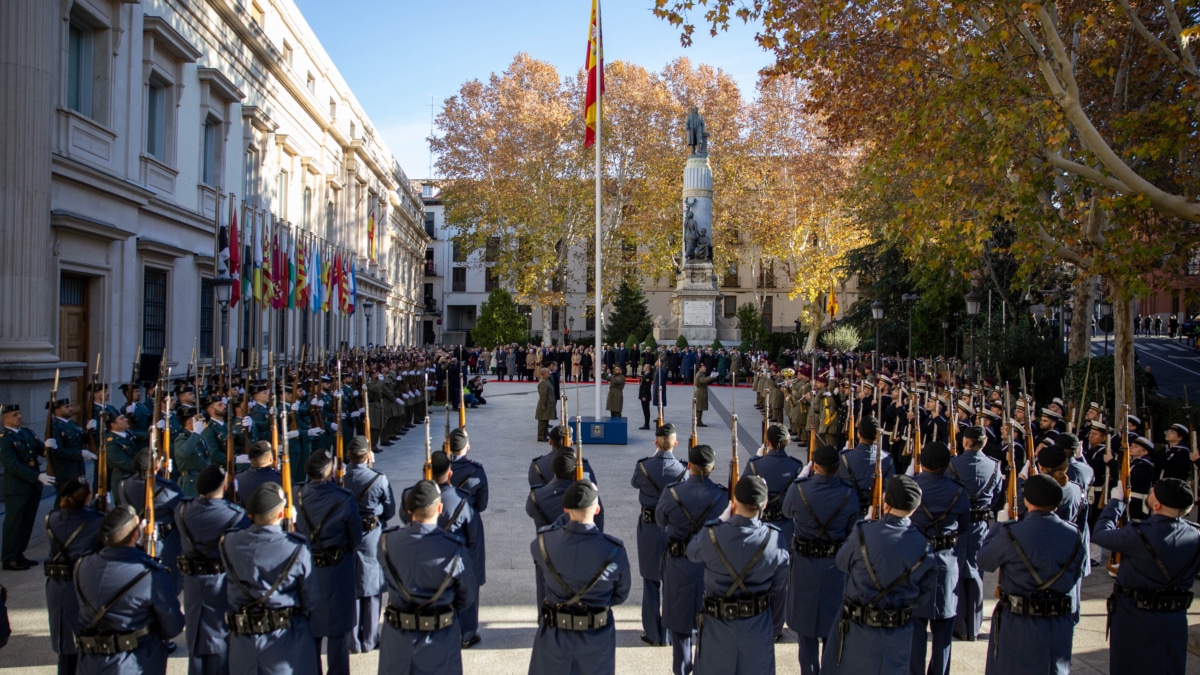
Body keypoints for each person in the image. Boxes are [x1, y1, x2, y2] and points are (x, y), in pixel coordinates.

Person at [821, 475, 936, 675]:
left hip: (858, 628)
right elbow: (924, 594)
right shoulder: (924, 545)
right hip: (898, 631)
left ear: (885, 502)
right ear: (914, 508)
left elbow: (841, 562)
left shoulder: (863, 533)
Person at [979, 474, 1085, 675]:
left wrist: (999, 526)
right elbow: (1076, 573)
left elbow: (984, 560)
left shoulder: (1011, 532)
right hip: (1058, 621)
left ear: (1027, 500)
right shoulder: (1074, 533)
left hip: (1020, 620)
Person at [1095, 476, 1200, 674]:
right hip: (1174, 618)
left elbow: (1100, 533)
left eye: (1153, 492)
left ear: (1157, 504)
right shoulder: (1195, 535)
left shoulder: (1138, 533)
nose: (1150, 492)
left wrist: (1115, 503)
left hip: (1135, 616)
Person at [686, 474, 789, 674]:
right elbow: (778, 585)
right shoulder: (774, 538)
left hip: (717, 626)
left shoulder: (712, 534)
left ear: (734, 502)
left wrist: (720, 519)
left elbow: (692, 552)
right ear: (764, 505)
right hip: (756, 625)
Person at [529, 480, 631, 675]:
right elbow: (620, 594)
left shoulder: (542, 543)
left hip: (554, 636)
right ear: (597, 509)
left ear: (565, 509)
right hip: (595, 638)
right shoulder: (613, 550)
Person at [377, 479, 475, 673]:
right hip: (439, 639)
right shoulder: (453, 547)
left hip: (398, 640)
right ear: (439, 509)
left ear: (408, 511)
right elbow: (467, 595)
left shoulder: (388, 541)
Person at [220, 482, 319, 675]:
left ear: (250, 515)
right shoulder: (295, 546)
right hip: (284, 640)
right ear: (281, 515)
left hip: (243, 642)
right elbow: (310, 599)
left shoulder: (229, 542)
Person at [72, 505, 184, 674]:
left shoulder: (81, 565)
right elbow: (173, 626)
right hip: (133, 663)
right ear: (135, 535)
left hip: (89, 664)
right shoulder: (150, 574)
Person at [782, 444, 858, 675]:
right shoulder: (848, 493)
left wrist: (802, 479)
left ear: (815, 466)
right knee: (833, 627)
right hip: (835, 564)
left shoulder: (799, 489)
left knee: (806, 630)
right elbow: (851, 526)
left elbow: (786, 511)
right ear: (837, 469)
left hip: (805, 562)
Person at [656, 444, 728, 675]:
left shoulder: (672, 493)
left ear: (689, 466)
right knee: (709, 628)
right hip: (711, 569)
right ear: (712, 467)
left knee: (680, 629)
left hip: (679, 566)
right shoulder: (723, 496)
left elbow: (660, 521)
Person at [175, 465, 250, 675]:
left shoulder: (181, 510)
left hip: (192, 585)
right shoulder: (235, 516)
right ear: (225, 485)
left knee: (196, 642)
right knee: (221, 646)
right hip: (220, 583)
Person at [295, 450, 362, 675]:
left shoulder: (298, 493)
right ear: (328, 471)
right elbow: (356, 538)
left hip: (307, 569)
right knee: (337, 633)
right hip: (337, 569)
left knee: (312, 629)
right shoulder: (344, 498)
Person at [908, 442, 971, 675]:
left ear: (921, 463)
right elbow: (964, 526)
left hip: (916, 561)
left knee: (914, 626)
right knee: (943, 630)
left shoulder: (912, 486)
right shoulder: (958, 490)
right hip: (946, 561)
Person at [631, 423, 688, 647]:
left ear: (656, 442)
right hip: (674, 529)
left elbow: (635, 482)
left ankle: (653, 633)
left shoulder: (643, 467)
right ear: (675, 443)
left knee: (651, 581)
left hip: (648, 528)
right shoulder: (683, 470)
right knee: (671, 581)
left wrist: (656, 455)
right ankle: (670, 632)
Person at [746, 423, 804, 640]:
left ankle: (756, 618)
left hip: (761, 526)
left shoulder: (755, 464)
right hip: (786, 527)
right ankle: (776, 626)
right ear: (788, 442)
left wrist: (757, 458)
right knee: (781, 581)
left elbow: (743, 488)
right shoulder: (796, 466)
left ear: (767, 442)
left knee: (757, 574)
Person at [341, 436, 396, 655]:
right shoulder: (378, 479)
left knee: (353, 584)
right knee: (372, 587)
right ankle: (369, 638)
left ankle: (353, 639)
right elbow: (390, 510)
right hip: (372, 533)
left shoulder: (342, 478)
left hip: (347, 534)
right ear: (368, 455)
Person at [947, 426, 1003, 642]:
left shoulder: (954, 464)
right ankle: (973, 625)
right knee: (976, 572)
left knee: (958, 571)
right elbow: (997, 496)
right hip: (981, 525)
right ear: (984, 442)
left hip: (960, 523)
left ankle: (958, 622)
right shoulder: (995, 467)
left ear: (965, 442)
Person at [44, 475, 104, 675]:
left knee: (65, 647)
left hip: (58, 588)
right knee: (87, 643)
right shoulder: (97, 522)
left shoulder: (51, 518)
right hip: (83, 586)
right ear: (87, 498)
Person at [119, 449, 183, 594]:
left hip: (136, 539)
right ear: (155, 467)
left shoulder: (124, 484)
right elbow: (181, 512)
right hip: (164, 541)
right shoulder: (167, 488)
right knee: (168, 587)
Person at [0, 403, 55, 570]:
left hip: (31, 487)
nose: (19, 417)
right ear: (4, 419)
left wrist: (50, 447)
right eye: (15, 415)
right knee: (14, 524)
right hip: (17, 488)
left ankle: (19, 554)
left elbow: (41, 450)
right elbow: (13, 465)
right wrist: (37, 476)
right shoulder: (5, 439)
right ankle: (9, 558)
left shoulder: (27, 433)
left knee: (26, 523)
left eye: (19, 413)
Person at [836, 416, 894, 517]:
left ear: (859, 434)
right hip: (876, 516)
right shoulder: (887, 460)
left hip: (848, 513)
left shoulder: (844, 457)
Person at [46, 397, 94, 488]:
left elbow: (85, 438)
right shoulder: (54, 427)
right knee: (66, 499)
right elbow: (58, 451)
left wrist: (91, 431)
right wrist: (80, 453)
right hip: (66, 471)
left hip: (78, 468)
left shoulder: (72, 424)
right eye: (67, 407)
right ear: (57, 410)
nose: (71, 409)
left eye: (70, 406)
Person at [535, 368, 555, 442]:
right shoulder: (543, 382)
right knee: (542, 420)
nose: (549, 373)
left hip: (548, 403)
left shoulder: (547, 381)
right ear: (544, 374)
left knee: (546, 419)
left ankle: (545, 433)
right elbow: (543, 395)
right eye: (548, 373)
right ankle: (541, 436)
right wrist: (543, 405)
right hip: (544, 403)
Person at [638, 364, 654, 430]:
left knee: (646, 410)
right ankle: (646, 423)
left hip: (645, 396)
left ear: (648, 368)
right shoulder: (645, 375)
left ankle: (647, 424)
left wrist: (644, 396)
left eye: (644, 367)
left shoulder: (648, 376)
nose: (643, 367)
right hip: (643, 394)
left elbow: (646, 387)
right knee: (645, 410)